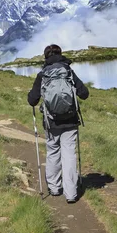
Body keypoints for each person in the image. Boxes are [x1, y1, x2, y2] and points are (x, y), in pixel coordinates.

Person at [28, 44, 89, 203]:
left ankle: (54, 188)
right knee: (69, 155)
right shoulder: (68, 71)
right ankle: (71, 194)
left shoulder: (43, 74)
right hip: (70, 121)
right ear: (60, 54)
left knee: (53, 152)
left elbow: (32, 100)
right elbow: (84, 94)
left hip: (51, 122)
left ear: (46, 57)